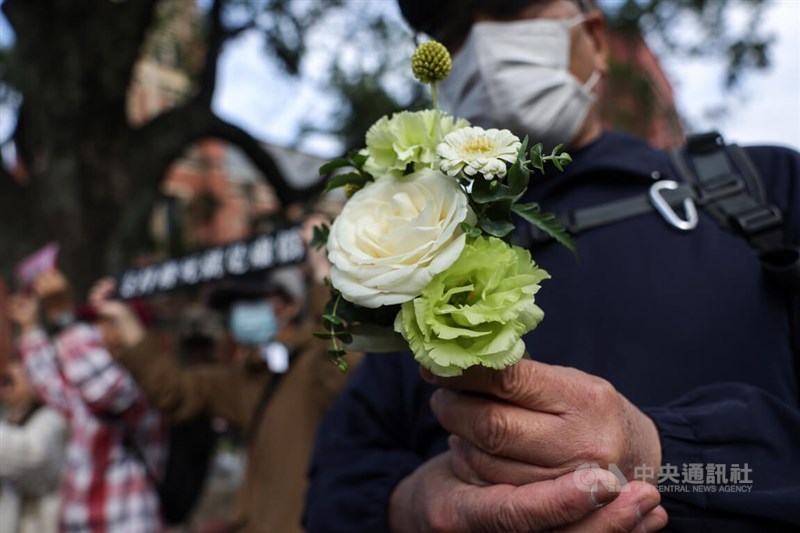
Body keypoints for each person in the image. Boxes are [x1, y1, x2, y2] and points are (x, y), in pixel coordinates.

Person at [303, 0, 800, 531]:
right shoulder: (421, 261)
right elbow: (334, 481)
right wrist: (411, 506)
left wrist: (656, 457)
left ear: (596, 40)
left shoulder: (766, 187)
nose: (485, 49)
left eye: (510, 8)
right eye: (453, 29)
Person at [90, 237, 363, 532]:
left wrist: (322, 274)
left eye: (252, 301)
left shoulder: (316, 363)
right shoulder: (249, 375)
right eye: (234, 305)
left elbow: (346, 360)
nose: (240, 313)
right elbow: (174, 391)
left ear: (287, 306)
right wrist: (124, 319)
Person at [9, 269, 167, 532]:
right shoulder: (89, 392)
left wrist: (62, 317)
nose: (97, 332)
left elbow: (105, 386)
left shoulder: (144, 388)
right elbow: (49, 385)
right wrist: (30, 327)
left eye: (107, 322)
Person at [0, 358, 68, 533]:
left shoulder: (55, 418)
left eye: (9, 381)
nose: (4, 389)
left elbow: (33, 456)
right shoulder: (8, 419)